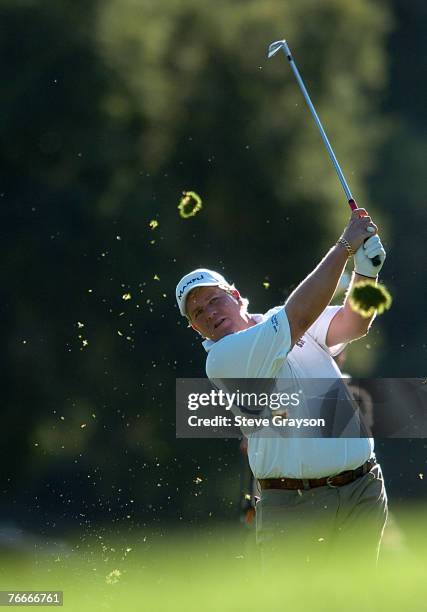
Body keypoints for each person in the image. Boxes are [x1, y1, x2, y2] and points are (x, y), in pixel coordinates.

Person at [175, 208, 388, 567]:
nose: (209, 313)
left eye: (214, 300)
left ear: (236, 295)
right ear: (196, 329)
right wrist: (344, 248)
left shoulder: (281, 319)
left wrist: (366, 271)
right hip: (294, 507)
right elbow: (299, 317)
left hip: (362, 489)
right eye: (198, 313)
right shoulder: (224, 358)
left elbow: (354, 324)